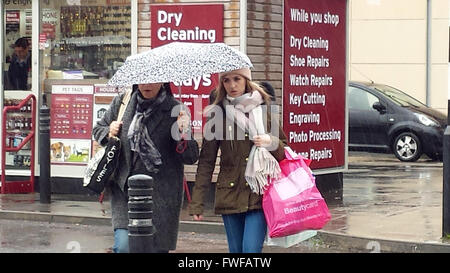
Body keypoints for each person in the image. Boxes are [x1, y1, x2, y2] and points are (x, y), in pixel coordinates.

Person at [188, 68, 288, 253]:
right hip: (229, 193)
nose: (232, 85)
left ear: (246, 80)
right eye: (226, 80)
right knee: (236, 252)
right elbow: (207, 161)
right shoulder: (218, 115)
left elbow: (285, 150)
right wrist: (198, 202)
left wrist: (270, 142)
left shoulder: (264, 110)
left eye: (237, 79)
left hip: (259, 191)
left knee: (250, 250)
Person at [93, 82, 199, 253]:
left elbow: (191, 157)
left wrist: (183, 133)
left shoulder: (177, 110)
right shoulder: (123, 102)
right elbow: (98, 129)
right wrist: (108, 131)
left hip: (160, 196)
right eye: (142, 80)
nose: (147, 85)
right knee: (124, 247)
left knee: (154, 249)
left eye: (152, 81)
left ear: (163, 81)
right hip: (125, 190)